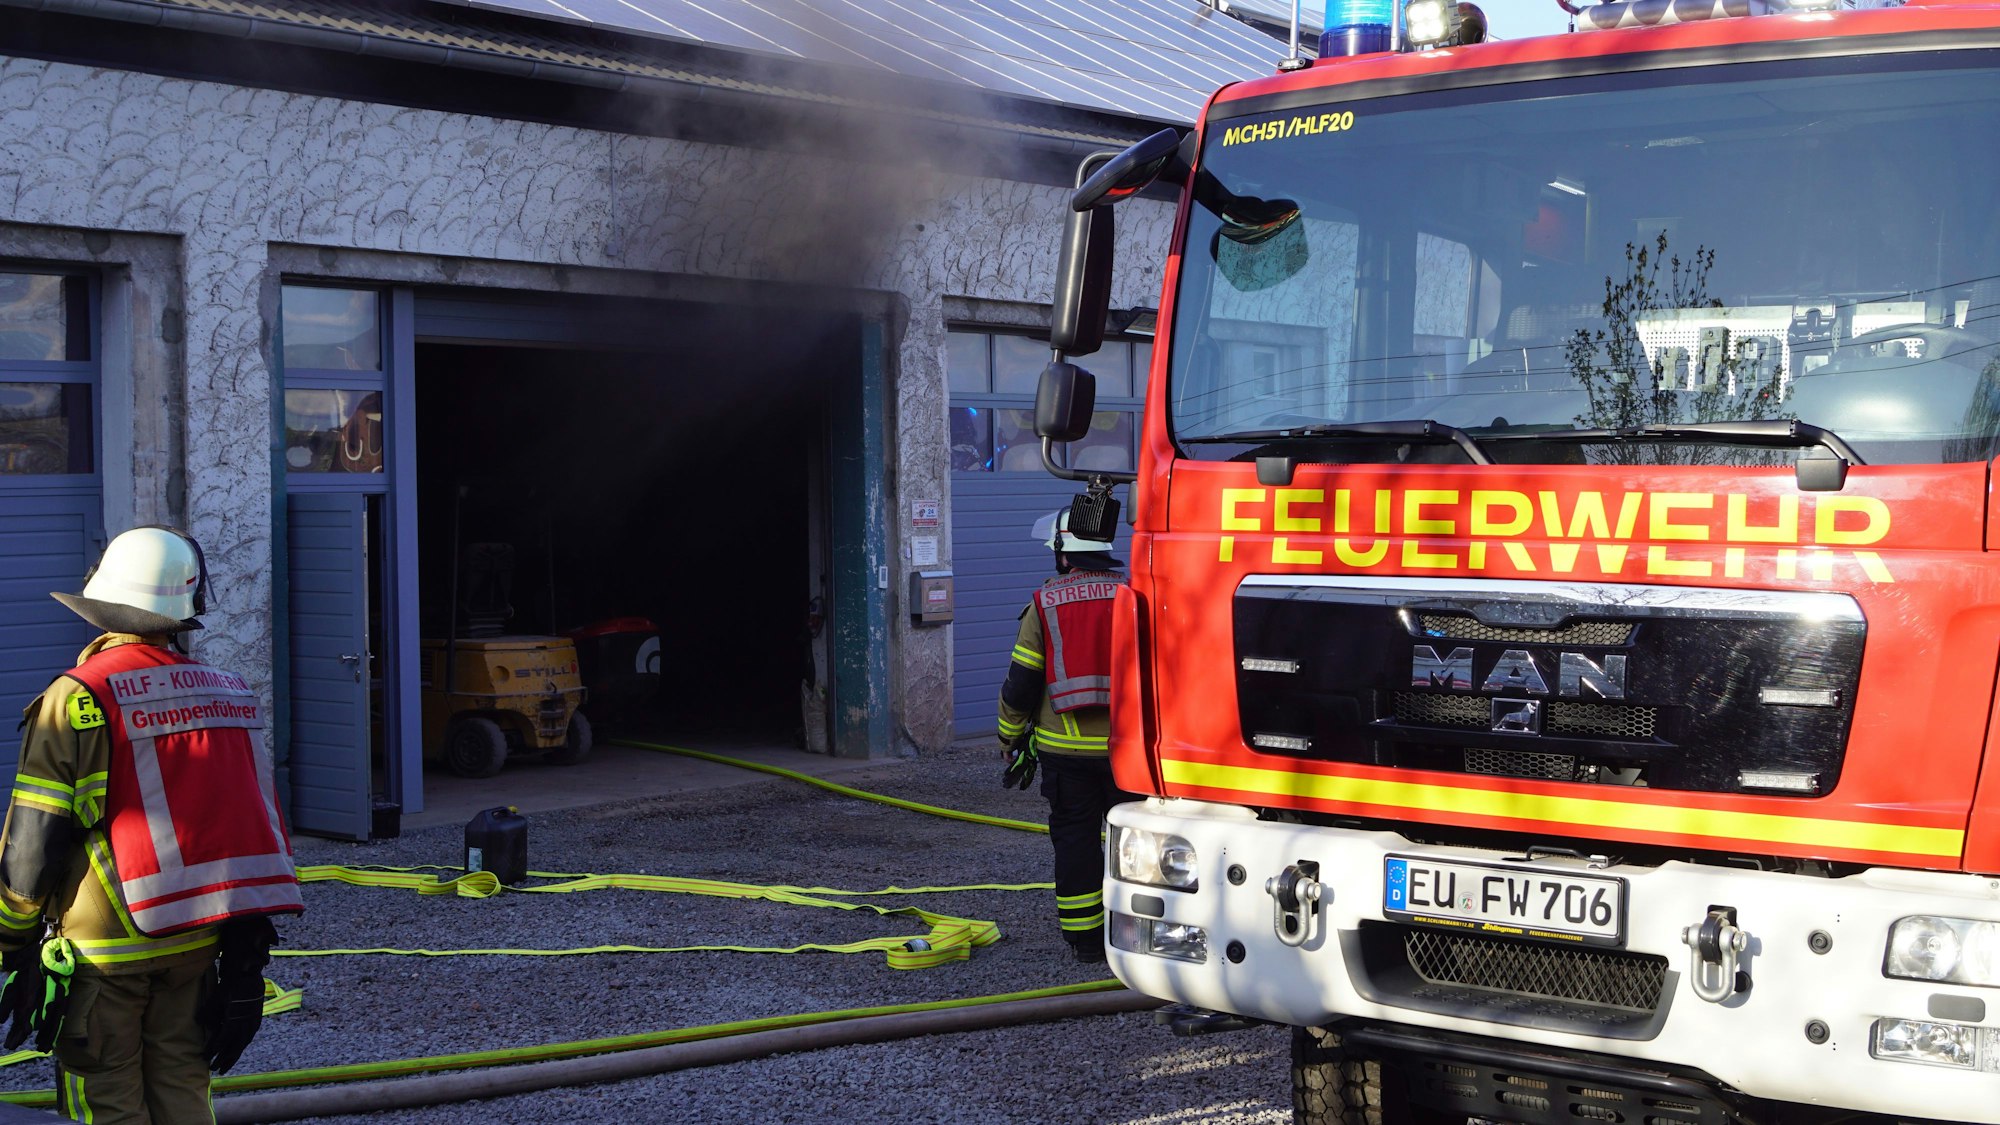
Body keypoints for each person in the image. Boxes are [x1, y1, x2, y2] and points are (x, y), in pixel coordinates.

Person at [0, 526, 303, 1122]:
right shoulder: (229, 695)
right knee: (184, 1091)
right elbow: (249, 832)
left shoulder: (78, 697)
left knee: (106, 1099)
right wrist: (245, 967)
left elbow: (33, 840)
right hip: (195, 944)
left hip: (104, 954)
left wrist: (10, 943)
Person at [996, 509, 1134, 963]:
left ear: (1063, 552)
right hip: (1129, 754)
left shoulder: (1044, 603)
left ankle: (1086, 941)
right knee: (1133, 843)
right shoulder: (1136, 595)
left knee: (1076, 841)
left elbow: (1022, 682)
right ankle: (1137, 935)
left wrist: (1009, 736)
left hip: (1066, 752)